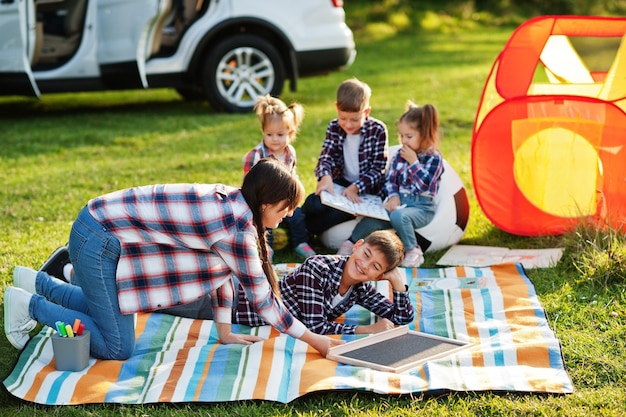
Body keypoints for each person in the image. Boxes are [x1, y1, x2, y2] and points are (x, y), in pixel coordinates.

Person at [4, 158, 341, 360]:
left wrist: (224, 333)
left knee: (102, 308)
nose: (291, 214)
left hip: (98, 228)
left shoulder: (237, 204)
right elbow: (265, 302)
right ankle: (29, 306)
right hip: (99, 238)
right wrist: (315, 340)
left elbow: (223, 276)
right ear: (266, 203)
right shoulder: (237, 229)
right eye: (287, 207)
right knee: (116, 345)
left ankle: (39, 283)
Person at [235, 230, 414, 335]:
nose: (364, 265)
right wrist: (367, 329)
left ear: (379, 277)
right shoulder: (317, 267)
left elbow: (402, 317)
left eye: (375, 267)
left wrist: (398, 284)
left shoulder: (360, 288)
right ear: (357, 246)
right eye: (366, 254)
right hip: (239, 302)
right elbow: (315, 326)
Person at [337, 102, 444, 267]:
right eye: (401, 136)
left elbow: (426, 186)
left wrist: (414, 162)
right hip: (398, 204)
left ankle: (413, 250)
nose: (403, 141)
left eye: (409, 136)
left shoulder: (434, 158)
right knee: (373, 220)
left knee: (399, 216)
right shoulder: (399, 156)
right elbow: (391, 180)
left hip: (422, 208)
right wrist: (393, 196)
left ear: (425, 134)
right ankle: (350, 243)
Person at [302, 78, 388, 238]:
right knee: (313, 203)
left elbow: (379, 169)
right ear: (337, 109)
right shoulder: (334, 127)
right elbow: (326, 155)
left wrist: (356, 188)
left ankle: (304, 231)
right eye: (343, 118)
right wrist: (325, 177)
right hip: (341, 184)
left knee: (338, 214)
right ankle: (295, 223)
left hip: (364, 190)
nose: (348, 124)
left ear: (366, 112)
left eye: (354, 119)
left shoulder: (378, 130)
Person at [242, 94, 316, 259]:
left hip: (286, 201)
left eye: (280, 134)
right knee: (265, 225)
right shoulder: (256, 155)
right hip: (265, 203)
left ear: (291, 132)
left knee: (297, 217)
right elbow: (249, 185)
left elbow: (292, 176)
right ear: (263, 132)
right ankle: (265, 246)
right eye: (269, 134)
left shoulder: (290, 153)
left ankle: (300, 243)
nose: (274, 139)